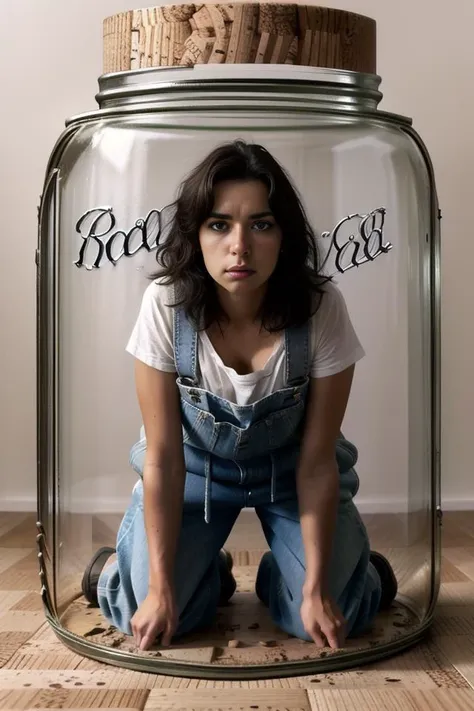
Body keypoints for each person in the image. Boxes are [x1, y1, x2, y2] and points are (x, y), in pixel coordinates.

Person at [81, 140, 397, 653]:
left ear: (284, 236)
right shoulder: (165, 305)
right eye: (219, 224)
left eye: (262, 224)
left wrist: (316, 587)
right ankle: (152, 573)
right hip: (193, 473)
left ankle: (325, 575)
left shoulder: (321, 307)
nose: (240, 247)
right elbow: (162, 458)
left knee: (328, 614)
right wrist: (161, 589)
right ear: (196, 233)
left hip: (294, 474)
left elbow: (317, 462)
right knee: (158, 613)